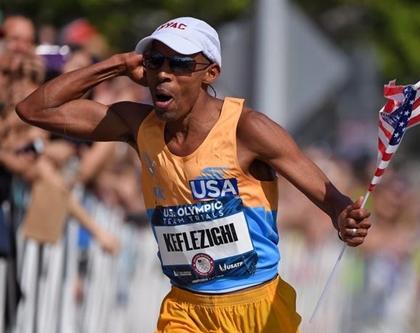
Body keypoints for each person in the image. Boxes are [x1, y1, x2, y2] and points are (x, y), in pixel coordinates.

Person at [16, 16, 371, 333]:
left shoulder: (248, 129)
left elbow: (332, 199)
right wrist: (116, 64)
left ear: (210, 73)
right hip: (186, 310)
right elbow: (34, 109)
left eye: (181, 63)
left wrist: (344, 218)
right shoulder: (136, 124)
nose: (164, 73)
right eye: (155, 62)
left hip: (257, 309)